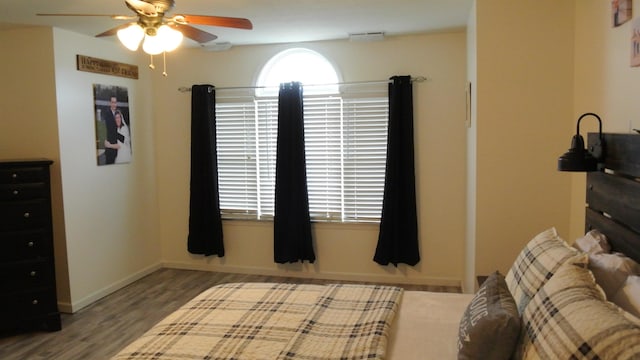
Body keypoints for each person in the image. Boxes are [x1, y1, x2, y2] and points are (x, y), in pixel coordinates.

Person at [103, 96, 119, 164]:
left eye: (115, 102)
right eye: (112, 102)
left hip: (117, 145)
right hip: (110, 145)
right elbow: (111, 129)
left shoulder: (118, 113)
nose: (114, 104)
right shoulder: (107, 114)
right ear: (110, 103)